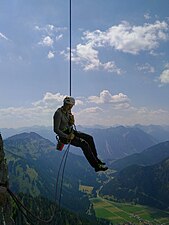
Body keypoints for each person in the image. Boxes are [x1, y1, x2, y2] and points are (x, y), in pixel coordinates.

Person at [53, 96, 108, 172]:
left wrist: (71, 122)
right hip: (64, 136)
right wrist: (67, 136)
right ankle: (96, 166)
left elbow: (67, 124)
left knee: (89, 138)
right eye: (71, 106)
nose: (71, 108)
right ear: (67, 104)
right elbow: (56, 129)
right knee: (84, 144)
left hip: (71, 132)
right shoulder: (58, 113)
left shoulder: (68, 112)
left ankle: (96, 159)